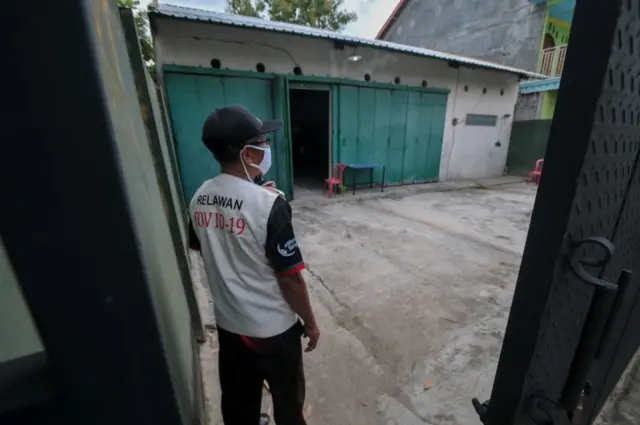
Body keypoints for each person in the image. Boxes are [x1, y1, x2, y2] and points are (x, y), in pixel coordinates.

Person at [188, 105, 320, 425]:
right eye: (262, 143)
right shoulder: (270, 206)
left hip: (231, 326)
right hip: (274, 331)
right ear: (247, 154)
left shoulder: (199, 197)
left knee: (238, 403)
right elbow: (290, 280)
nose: (266, 149)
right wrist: (311, 323)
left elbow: (198, 244)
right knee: (288, 402)